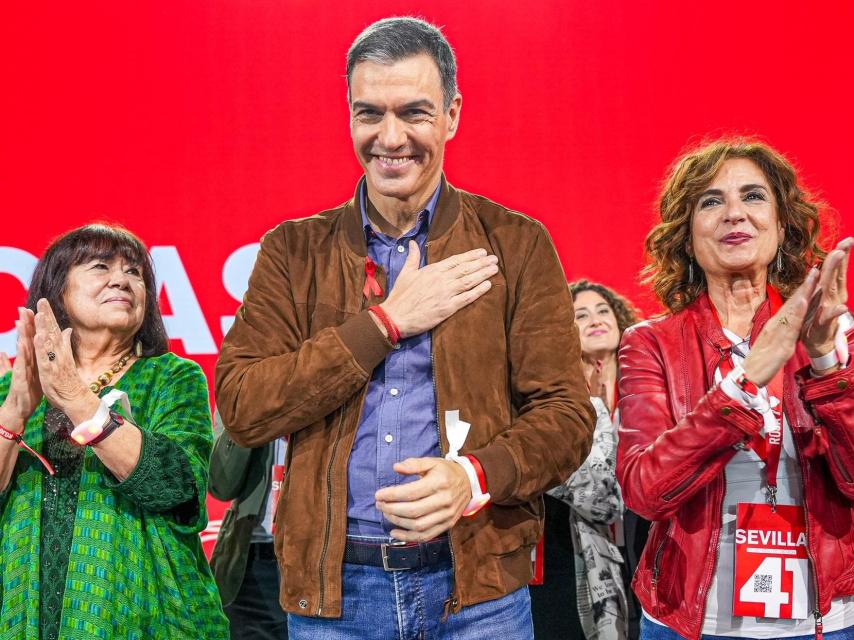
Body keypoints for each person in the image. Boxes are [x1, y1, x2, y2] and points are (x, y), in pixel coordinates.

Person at [215, 16, 595, 640]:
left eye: (414, 112)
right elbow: (242, 405)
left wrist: (474, 477)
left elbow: (565, 414)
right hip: (333, 595)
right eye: (369, 114)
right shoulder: (293, 249)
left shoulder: (516, 242)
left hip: (477, 590)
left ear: (451, 115)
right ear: (349, 116)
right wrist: (385, 323)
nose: (390, 137)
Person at [617, 139, 854, 640]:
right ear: (686, 235)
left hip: (827, 624)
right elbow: (643, 491)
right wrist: (742, 387)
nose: (733, 214)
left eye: (753, 196)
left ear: (782, 223)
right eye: (710, 201)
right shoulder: (649, 344)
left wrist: (826, 365)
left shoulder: (836, 331)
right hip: (690, 624)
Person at [0, 224, 228, 639]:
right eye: (101, 266)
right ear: (58, 291)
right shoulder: (12, 389)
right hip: (24, 616)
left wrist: (74, 396)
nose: (121, 279)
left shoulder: (171, 378)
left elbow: (178, 488)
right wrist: (14, 411)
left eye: (135, 273)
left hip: (149, 617)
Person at [531, 280, 639, 640]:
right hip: (577, 562)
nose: (595, 319)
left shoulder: (647, 394)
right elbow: (599, 499)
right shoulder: (549, 405)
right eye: (581, 315)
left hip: (643, 555)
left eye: (603, 310)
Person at [209, 409, 289, 639]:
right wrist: (251, 403)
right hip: (252, 562)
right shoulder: (245, 382)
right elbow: (220, 484)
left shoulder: (333, 379)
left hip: (323, 562)